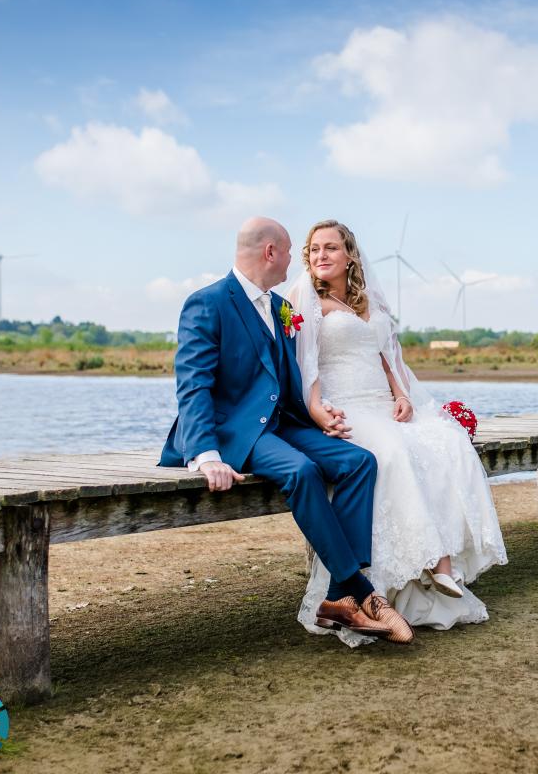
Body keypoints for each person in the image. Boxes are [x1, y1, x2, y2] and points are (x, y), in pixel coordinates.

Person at [159, 216, 414, 644]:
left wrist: (320, 415)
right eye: (293, 251)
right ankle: (362, 591)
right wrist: (207, 456)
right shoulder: (208, 302)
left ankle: (337, 599)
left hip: (283, 424)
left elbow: (292, 375)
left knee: (358, 462)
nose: (302, 262)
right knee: (301, 472)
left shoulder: (278, 305)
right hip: (235, 433)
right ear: (270, 252)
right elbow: (193, 385)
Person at [288, 219, 507, 647]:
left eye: (331, 248)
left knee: (444, 442)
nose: (321, 256)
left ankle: (441, 569)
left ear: (350, 254)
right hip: (346, 406)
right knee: (393, 452)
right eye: (314, 249)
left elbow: (388, 356)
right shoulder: (306, 300)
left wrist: (403, 395)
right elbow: (305, 364)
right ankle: (426, 565)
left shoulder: (367, 299)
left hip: (383, 402)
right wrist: (317, 412)